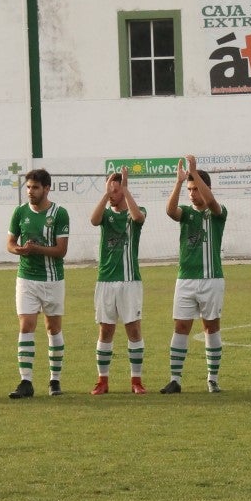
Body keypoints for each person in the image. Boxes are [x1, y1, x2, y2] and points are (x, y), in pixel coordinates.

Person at [161, 155, 226, 394]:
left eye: (195, 189)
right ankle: (175, 379)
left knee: (211, 327)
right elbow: (170, 211)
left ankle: (212, 378)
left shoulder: (218, 212)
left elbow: (213, 204)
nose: (192, 193)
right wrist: (179, 182)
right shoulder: (186, 213)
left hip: (212, 280)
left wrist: (195, 173)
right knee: (180, 327)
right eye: (189, 190)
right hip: (186, 279)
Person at [7, 168, 69, 398]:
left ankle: (55, 380)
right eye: (28, 187)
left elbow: (61, 251)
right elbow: (10, 243)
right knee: (26, 326)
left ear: (46, 188)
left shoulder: (60, 214)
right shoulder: (20, 212)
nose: (30, 191)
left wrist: (36, 249)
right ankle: (26, 381)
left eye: (35, 187)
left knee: (53, 328)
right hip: (26, 278)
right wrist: (19, 250)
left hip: (52, 279)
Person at [90, 168, 147, 395]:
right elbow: (93, 220)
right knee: (106, 331)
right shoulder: (106, 215)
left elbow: (137, 218)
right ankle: (102, 380)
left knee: (133, 329)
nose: (112, 195)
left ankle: (136, 380)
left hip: (130, 281)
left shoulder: (137, 210)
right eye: (109, 190)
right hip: (105, 280)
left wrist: (124, 189)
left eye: (115, 191)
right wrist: (105, 195)